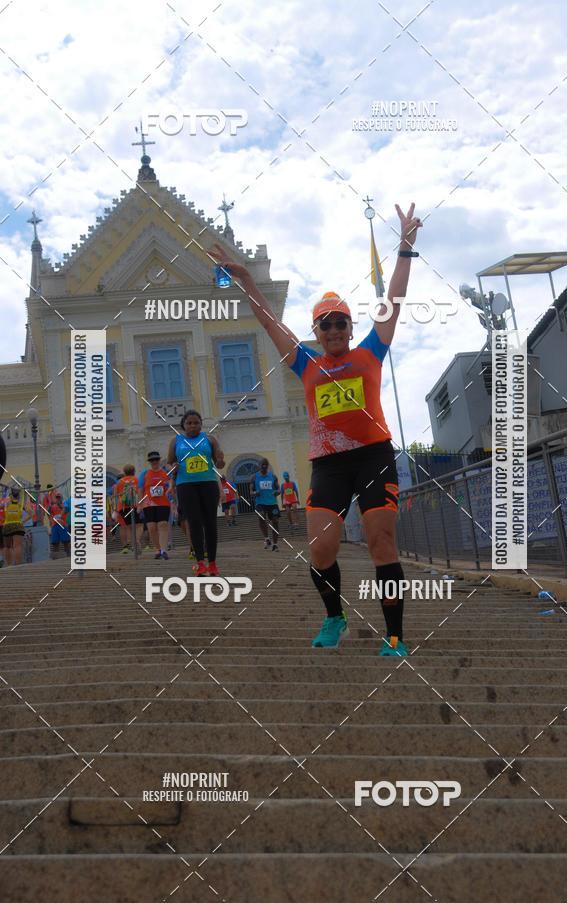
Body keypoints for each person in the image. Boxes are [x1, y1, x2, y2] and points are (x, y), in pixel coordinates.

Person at [210, 201, 422, 655]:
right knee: (321, 549)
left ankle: (396, 636)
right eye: (324, 324)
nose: (333, 329)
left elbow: (395, 301)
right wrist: (247, 280)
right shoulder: (305, 364)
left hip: (373, 457)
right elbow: (268, 323)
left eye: (340, 321)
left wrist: (404, 250)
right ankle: (335, 618)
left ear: (350, 325)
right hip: (327, 464)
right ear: (316, 330)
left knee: (379, 539)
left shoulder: (369, 353)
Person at [167, 409, 225, 576]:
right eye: (189, 423)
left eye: (196, 423)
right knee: (194, 523)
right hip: (186, 485)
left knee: (210, 523)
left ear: (201, 424)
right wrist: (173, 468)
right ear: (183, 426)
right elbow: (170, 463)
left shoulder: (209, 439)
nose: (193, 426)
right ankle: (200, 563)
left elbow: (219, 464)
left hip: (208, 484)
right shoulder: (176, 441)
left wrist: (220, 459)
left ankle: (212, 563)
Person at [138, 452, 173, 560]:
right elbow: (140, 489)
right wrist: (140, 503)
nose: (154, 462)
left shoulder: (166, 473)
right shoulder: (144, 474)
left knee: (163, 524)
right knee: (151, 527)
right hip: (148, 503)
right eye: (152, 460)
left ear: (159, 460)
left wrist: (171, 488)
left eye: (156, 460)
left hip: (164, 502)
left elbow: (171, 483)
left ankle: (163, 550)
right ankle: (157, 549)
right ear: (149, 462)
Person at [251, 459, 281, 551]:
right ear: (259, 465)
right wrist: (255, 493)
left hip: (272, 503)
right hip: (260, 503)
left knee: (275, 521)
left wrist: (277, 492)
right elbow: (251, 492)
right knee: (261, 516)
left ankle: (275, 544)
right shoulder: (254, 477)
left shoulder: (273, 476)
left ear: (267, 465)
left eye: (266, 465)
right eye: (262, 464)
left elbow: (278, 489)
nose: (264, 466)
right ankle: (267, 538)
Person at [113, 466, 142, 554]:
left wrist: (115, 510)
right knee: (139, 525)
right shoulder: (137, 480)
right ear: (134, 471)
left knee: (128, 527)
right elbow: (141, 491)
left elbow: (115, 497)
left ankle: (132, 544)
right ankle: (137, 541)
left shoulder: (119, 482)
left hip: (123, 507)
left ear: (125, 472)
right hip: (136, 505)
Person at [3, 487, 26, 566]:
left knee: (7, 546)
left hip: (7, 525)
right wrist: (24, 521)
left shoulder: (6, 502)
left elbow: (4, 497)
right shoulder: (21, 503)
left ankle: (8, 565)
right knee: (17, 546)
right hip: (18, 525)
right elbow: (32, 513)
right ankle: (18, 564)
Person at [48, 490, 70, 559]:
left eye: (59, 497)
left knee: (66, 542)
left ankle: (68, 556)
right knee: (55, 542)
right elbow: (48, 512)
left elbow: (67, 510)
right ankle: (55, 558)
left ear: (61, 498)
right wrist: (51, 522)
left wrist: (60, 506)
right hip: (55, 525)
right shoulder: (52, 506)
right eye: (57, 497)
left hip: (63, 525)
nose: (58, 499)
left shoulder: (64, 505)